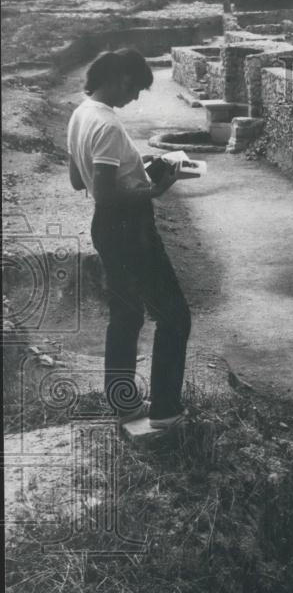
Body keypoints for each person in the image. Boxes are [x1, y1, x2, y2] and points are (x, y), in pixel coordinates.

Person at [67, 48, 190, 429]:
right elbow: (105, 192)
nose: (135, 97)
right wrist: (154, 190)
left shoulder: (80, 114)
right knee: (175, 317)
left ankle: (124, 404)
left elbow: (78, 181)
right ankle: (166, 411)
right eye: (135, 88)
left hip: (106, 227)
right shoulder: (107, 126)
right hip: (129, 228)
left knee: (126, 316)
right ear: (121, 78)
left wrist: (134, 167)